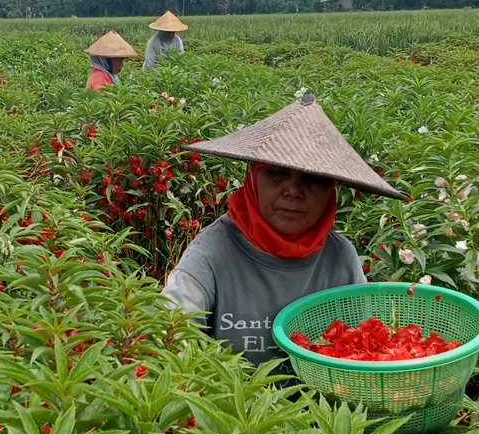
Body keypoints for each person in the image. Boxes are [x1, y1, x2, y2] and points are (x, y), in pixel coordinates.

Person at [161, 93, 405, 367]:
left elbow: (363, 351)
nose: (293, 191)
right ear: (252, 177)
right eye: (276, 173)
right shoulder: (211, 254)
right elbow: (169, 338)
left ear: (331, 190)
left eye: (314, 178)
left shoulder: (340, 259)